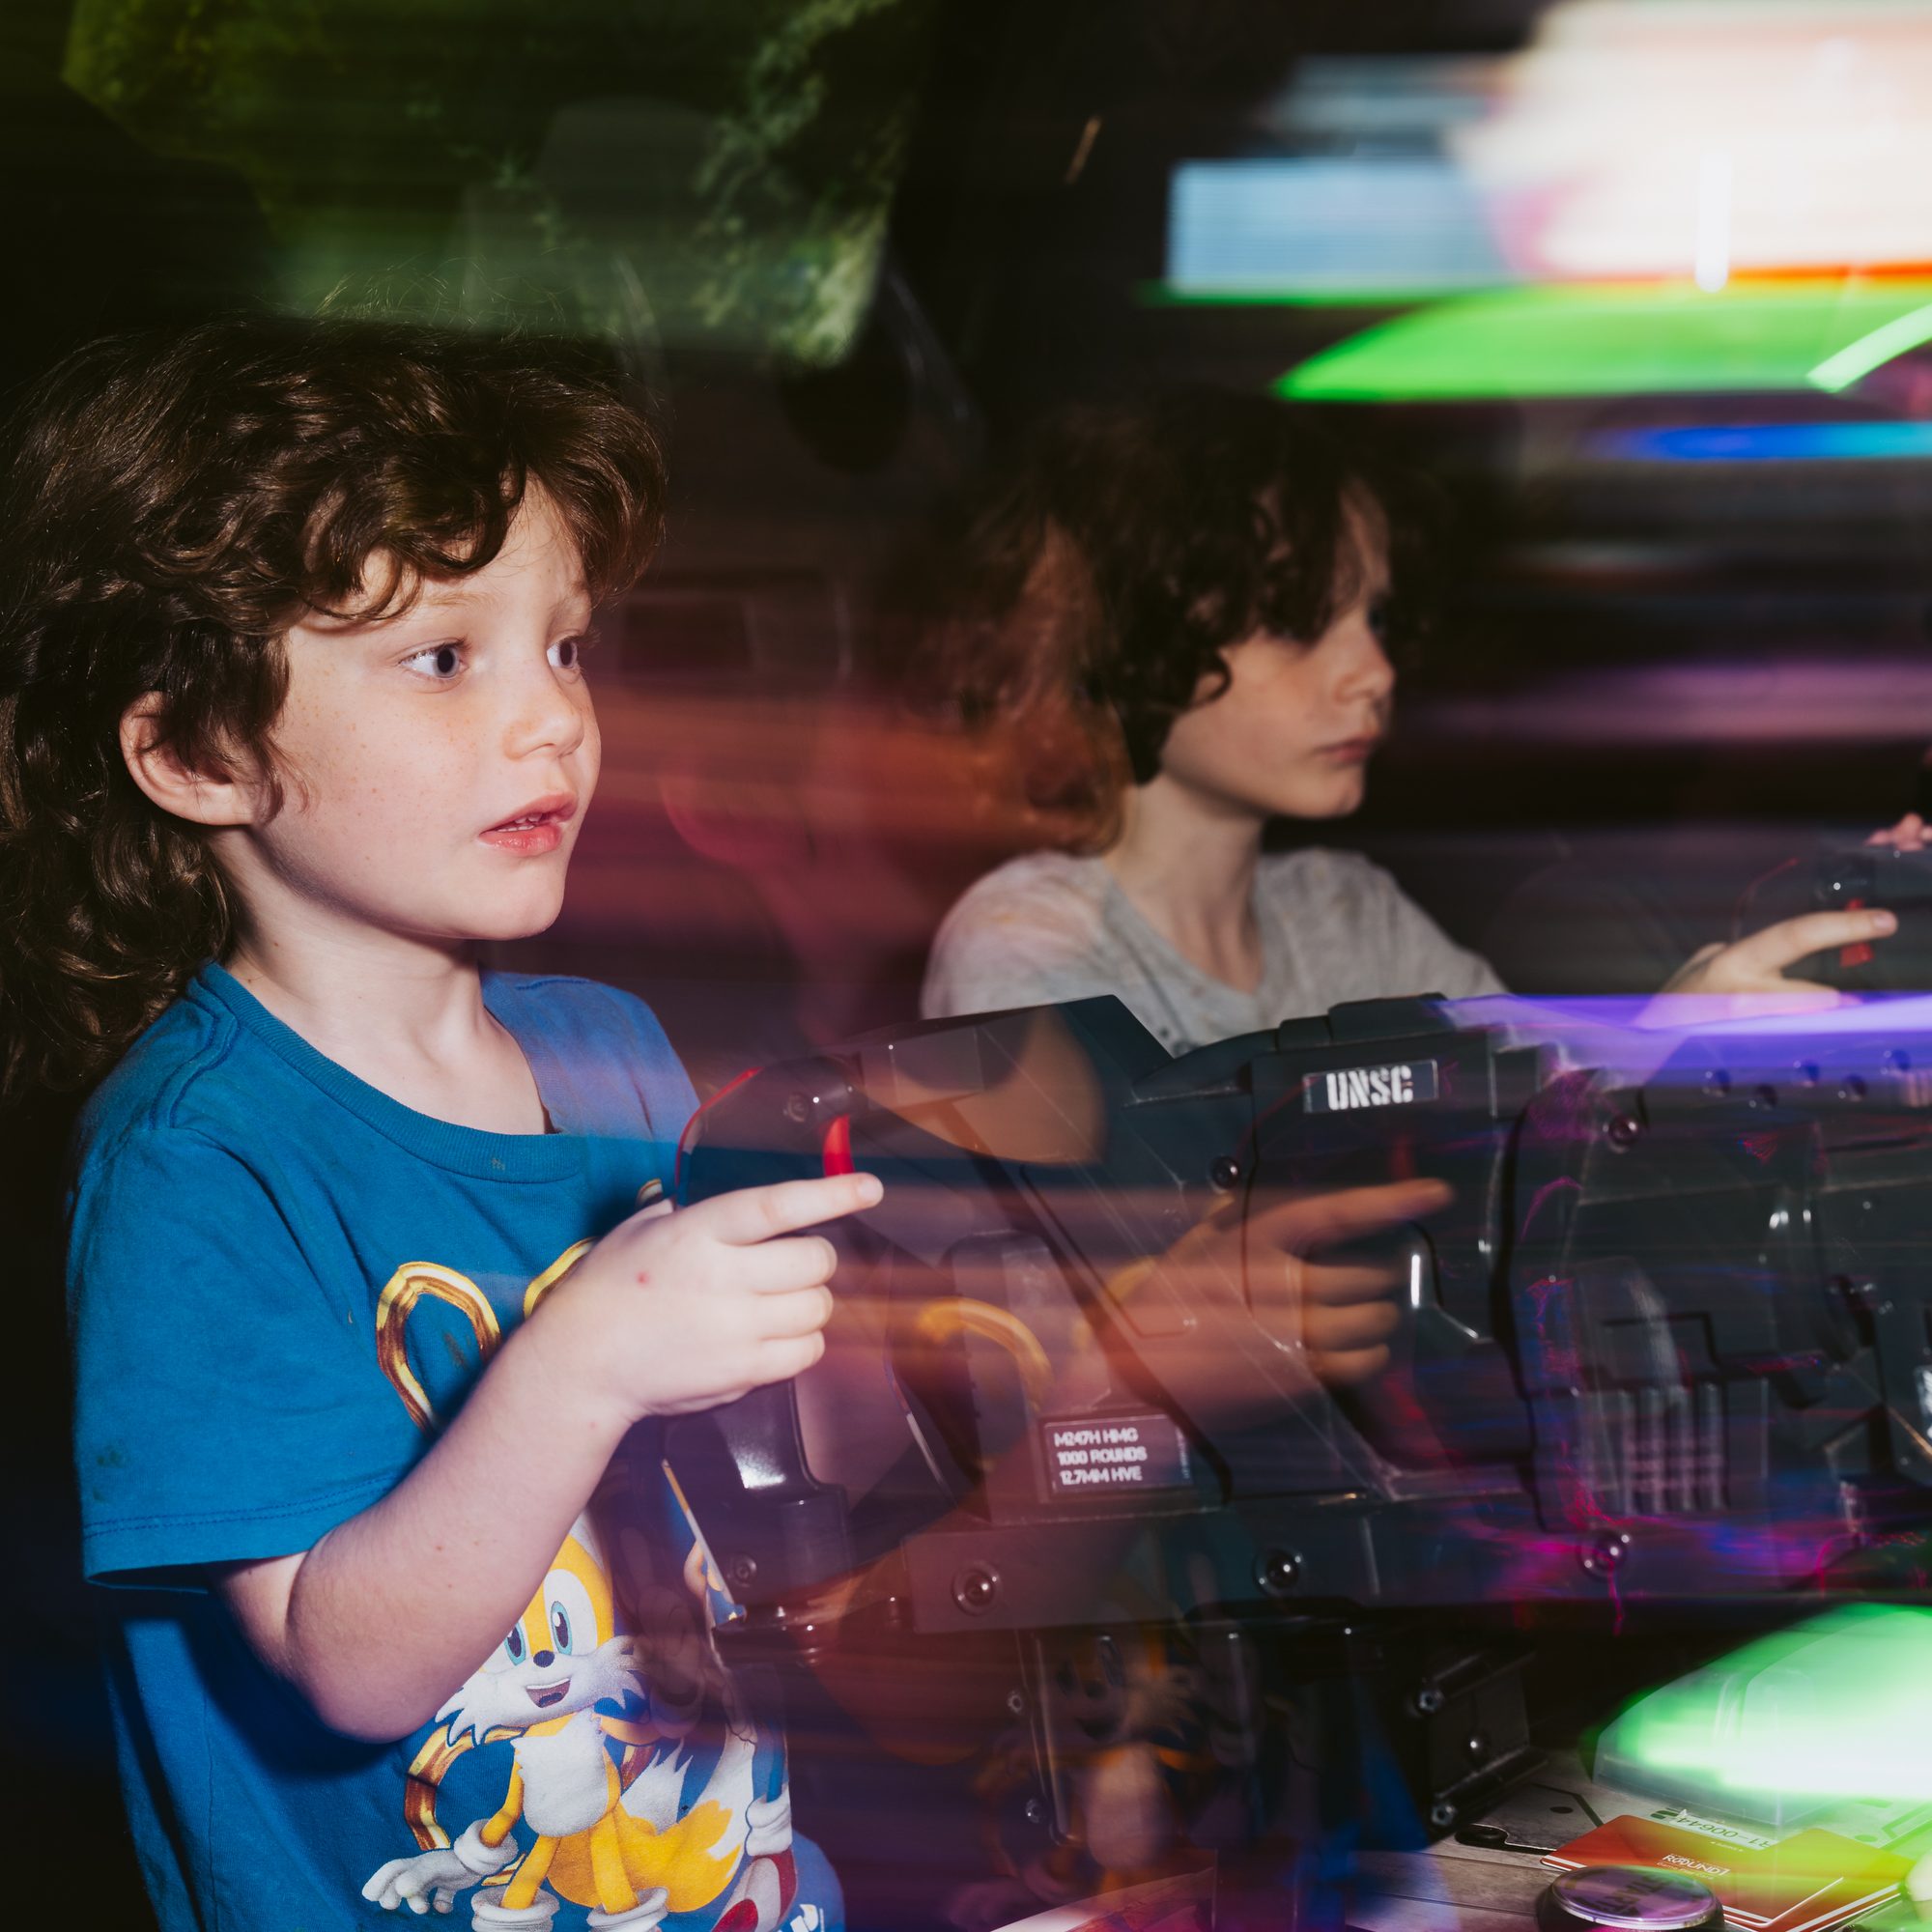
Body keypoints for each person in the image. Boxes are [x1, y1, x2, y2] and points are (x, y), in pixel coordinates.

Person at [2, 319, 1444, 1932]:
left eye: (564, 645)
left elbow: (814, 1571)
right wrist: (591, 1355)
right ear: (197, 749)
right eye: (444, 658)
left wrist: (1095, 1379)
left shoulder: (616, 1055)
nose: (553, 717)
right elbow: (345, 1661)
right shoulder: (198, 1164)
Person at [916, 391, 1899, 1049]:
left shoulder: (1349, 916)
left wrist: (1733, 983)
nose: (1373, 670)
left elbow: (1543, 1116)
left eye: (1375, 617)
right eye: (1299, 621)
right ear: (1127, 628)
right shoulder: (1027, 942)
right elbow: (1140, 1296)